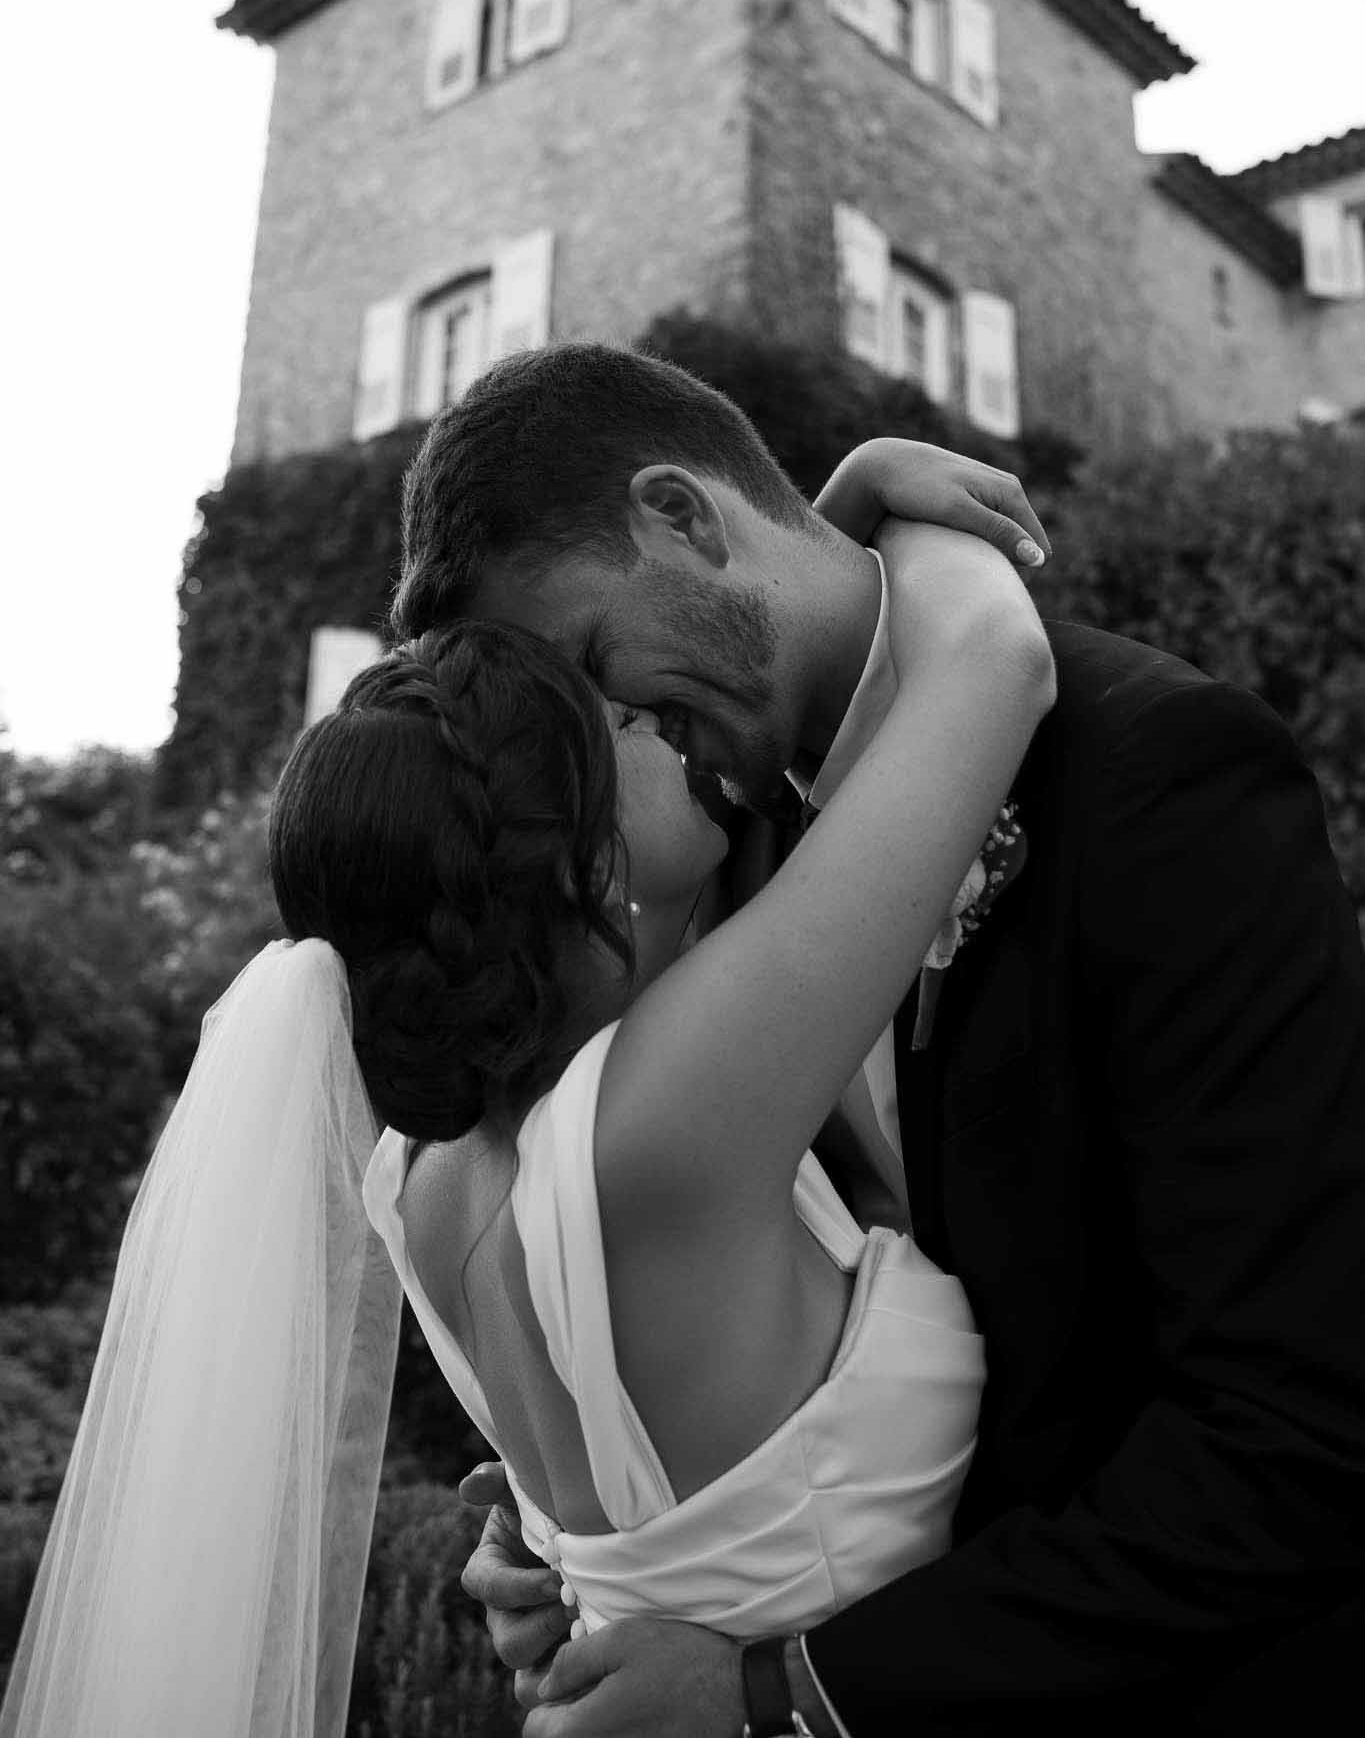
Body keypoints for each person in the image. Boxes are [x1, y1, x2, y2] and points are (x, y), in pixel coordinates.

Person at [0, 427, 1048, 1738]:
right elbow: (992, 670)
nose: (674, 719)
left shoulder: (422, 1182)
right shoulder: (657, 1127)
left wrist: (796, 529)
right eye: (625, 716)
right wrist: (896, 518)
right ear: (585, 862)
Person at [393, 342, 1365, 1737]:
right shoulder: (705, 857)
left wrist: (784, 1691)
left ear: (680, 516)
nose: (612, 748)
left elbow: (1296, 1433)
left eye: (600, 674)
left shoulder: (1159, 776)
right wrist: (587, 1533)